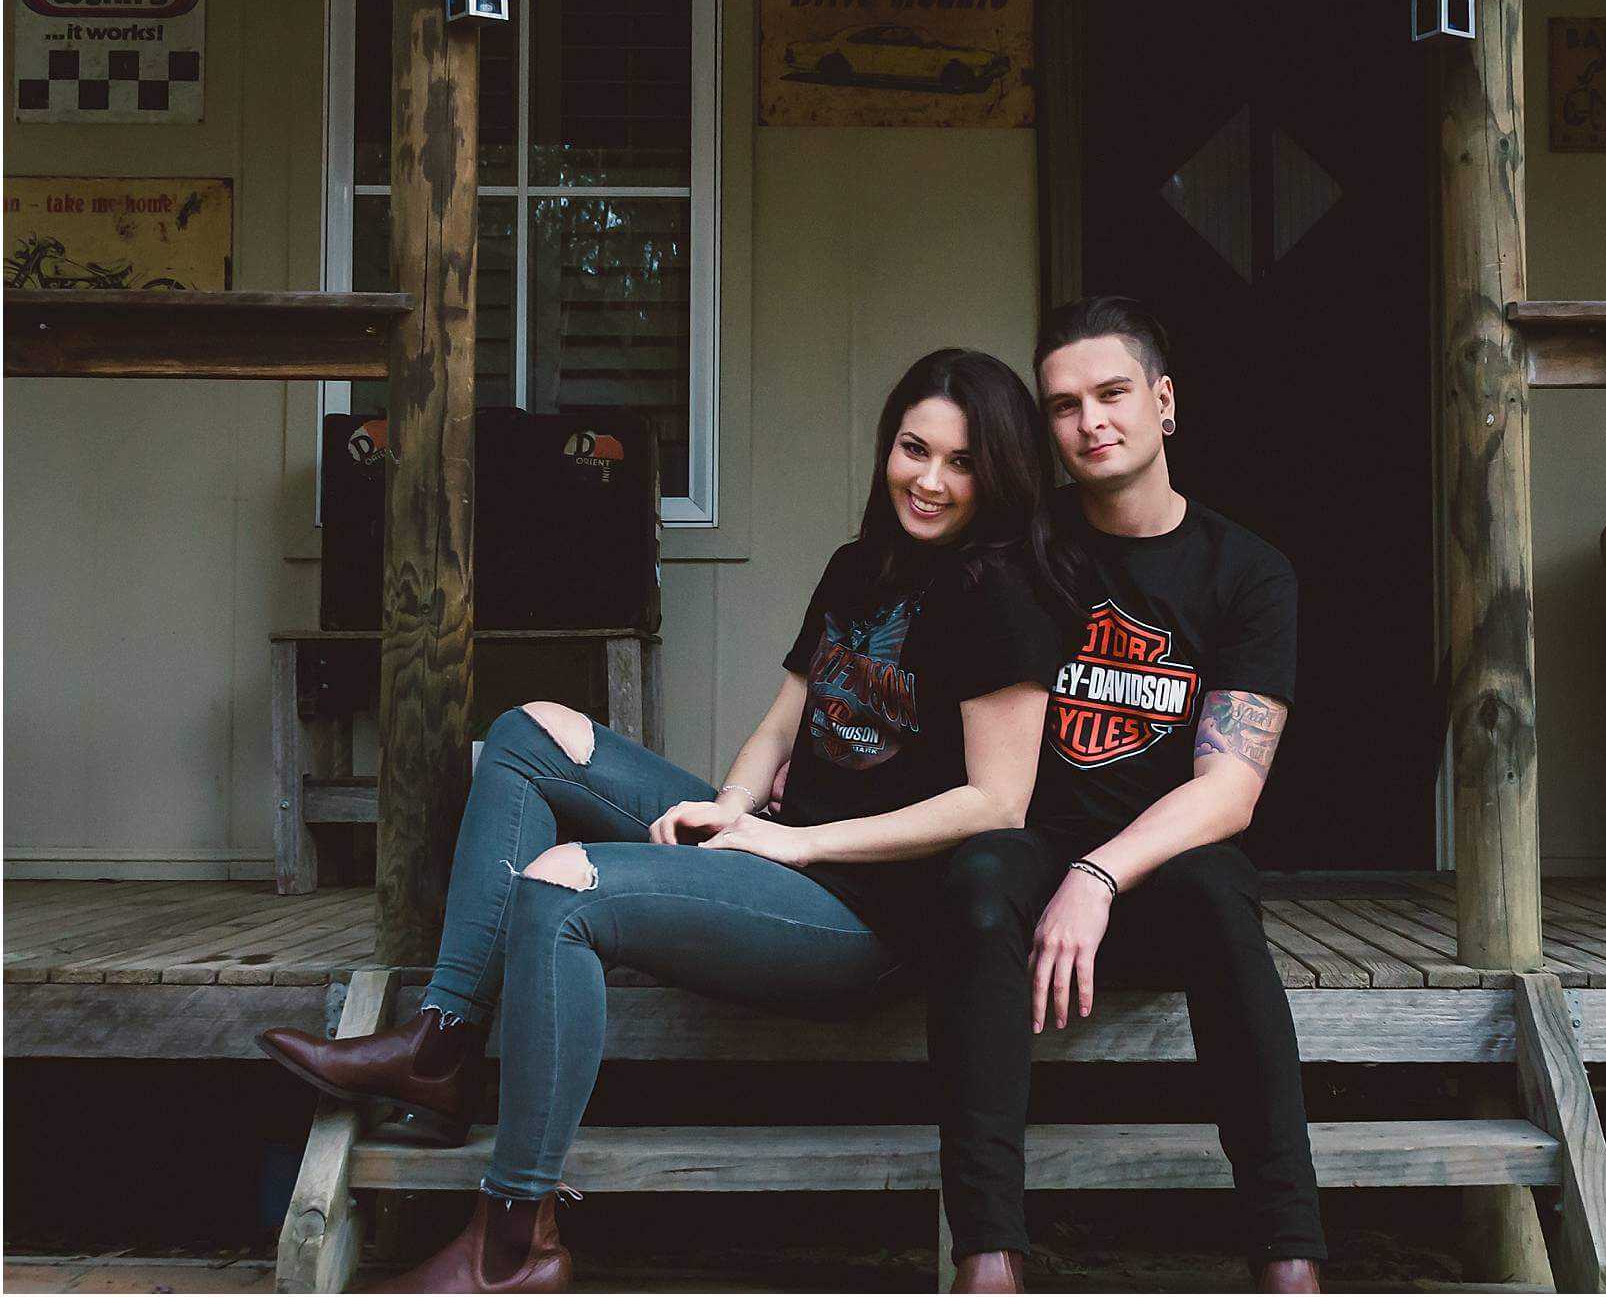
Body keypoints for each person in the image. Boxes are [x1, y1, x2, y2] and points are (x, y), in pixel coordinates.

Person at [258, 348, 1071, 1294]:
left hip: (866, 915)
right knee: (528, 735)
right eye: (912, 448)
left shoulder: (1000, 595)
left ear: (1000, 471)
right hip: (773, 852)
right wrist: (728, 807)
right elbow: (783, 723)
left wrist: (792, 840)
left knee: (563, 890)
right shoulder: (864, 566)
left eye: (961, 462)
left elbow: (996, 803)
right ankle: (440, 1044)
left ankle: (511, 1245)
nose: (929, 479)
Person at [930, 297, 1326, 1294]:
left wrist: (1098, 875)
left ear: (1163, 401)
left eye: (1111, 393)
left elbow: (1229, 788)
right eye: (1062, 405)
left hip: (1154, 871)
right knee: (977, 878)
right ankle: (988, 1251)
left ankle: (1287, 1253)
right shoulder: (1021, 547)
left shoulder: (1247, 571)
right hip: (1030, 857)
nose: (1089, 420)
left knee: (1221, 890)